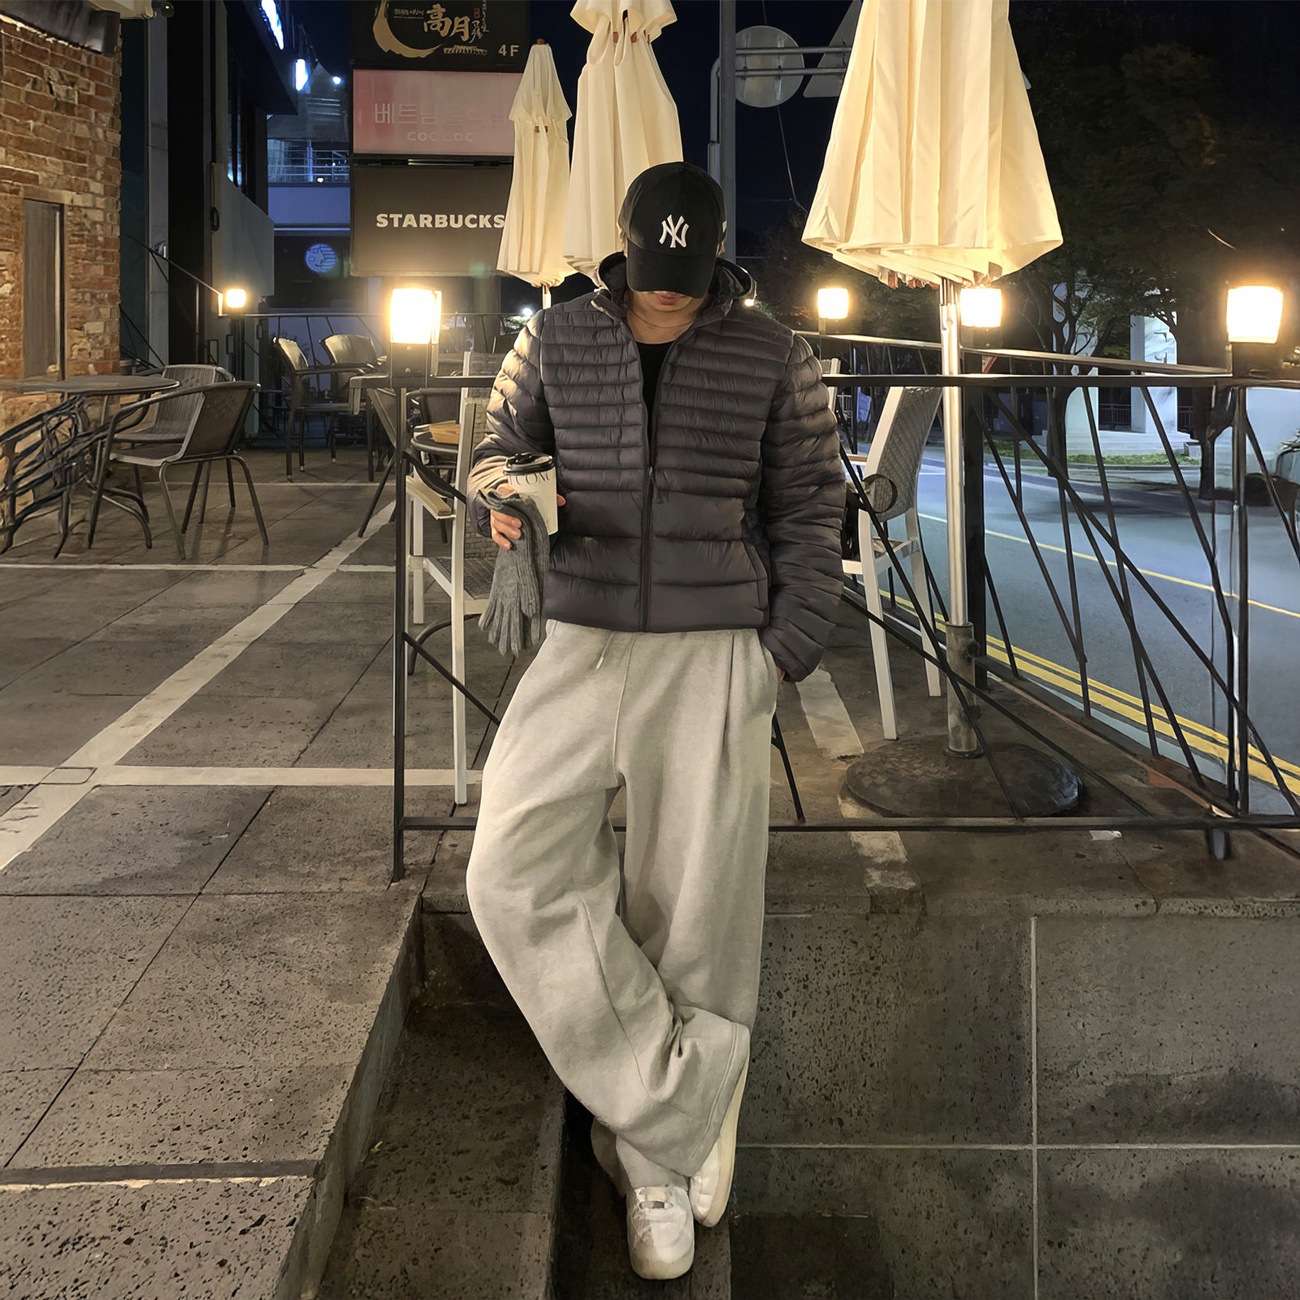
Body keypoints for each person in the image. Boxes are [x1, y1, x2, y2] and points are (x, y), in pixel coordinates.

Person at [463, 161, 843, 1280]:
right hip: (578, 637)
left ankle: (654, 1166)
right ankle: (685, 1102)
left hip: (715, 647)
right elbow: (490, 450)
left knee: (696, 910)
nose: (666, 290)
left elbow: (811, 505)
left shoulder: (773, 353)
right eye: (650, 268)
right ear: (622, 245)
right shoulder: (553, 337)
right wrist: (501, 497)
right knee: (511, 871)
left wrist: (780, 654)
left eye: (686, 271)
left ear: (715, 253)